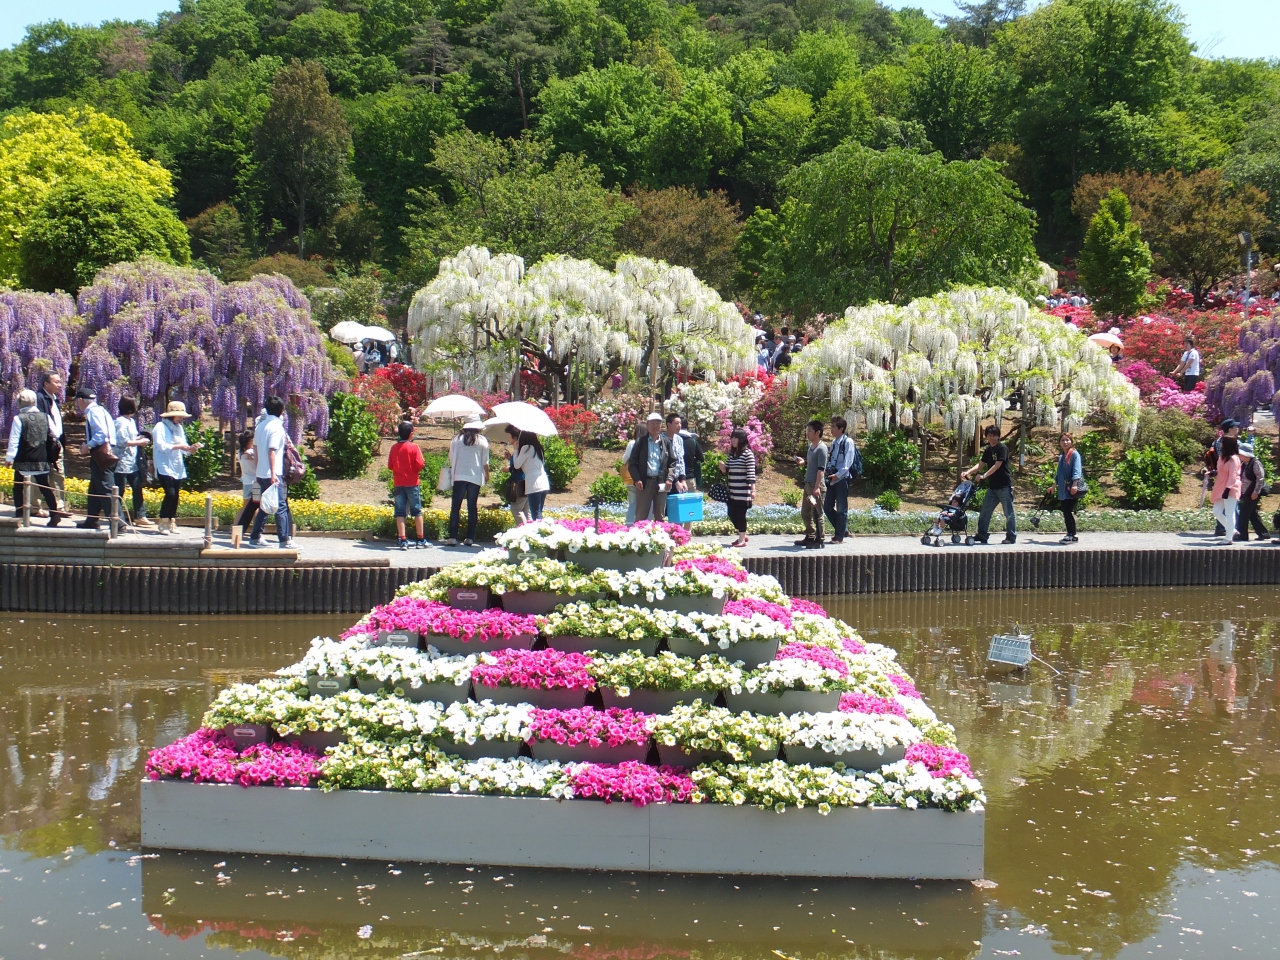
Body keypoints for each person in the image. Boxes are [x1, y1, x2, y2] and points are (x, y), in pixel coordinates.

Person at [5, 389, 60, 524]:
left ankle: (20, 513)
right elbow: (56, 433)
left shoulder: (19, 418)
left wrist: (9, 458)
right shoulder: (45, 417)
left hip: (23, 458)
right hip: (41, 457)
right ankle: (55, 514)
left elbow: (14, 441)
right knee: (45, 487)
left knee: (18, 487)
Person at [249, 395, 296, 549]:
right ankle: (284, 540)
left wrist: (257, 469)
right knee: (280, 505)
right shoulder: (277, 428)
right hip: (272, 473)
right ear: (281, 410)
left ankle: (255, 537)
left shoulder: (260, 426)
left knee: (265, 504)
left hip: (261, 472)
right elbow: (272, 451)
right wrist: (274, 474)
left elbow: (255, 449)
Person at [151, 401, 201, 535]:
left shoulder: (179, 428)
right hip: (163, 464)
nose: (181, 418)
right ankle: (163, 521)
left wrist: (191, 449)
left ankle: (172, 521)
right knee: (170, 493)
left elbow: (184, 447)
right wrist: (179, 446)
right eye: (179, 416)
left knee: (176, 494)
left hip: (177, 465)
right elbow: (161, 446)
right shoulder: (160, 427)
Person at [964, 425, 1016, 545]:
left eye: (994, 436)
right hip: (993, 487)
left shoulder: (1002, 448)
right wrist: (968, 472)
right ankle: (982, 535)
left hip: (1004, 486)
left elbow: (997, 465)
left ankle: (1011, 537)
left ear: (998, 436)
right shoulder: (988, 449)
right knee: (985, 511)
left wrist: (984, 476)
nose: (992, 438)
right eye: (989, 435)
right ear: (986, 436)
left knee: (1008, 513)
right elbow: (980, 464)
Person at [75, 387, 118, 530]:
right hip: (107, 451)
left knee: (106, 487)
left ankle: (118, 522)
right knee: (95, 487)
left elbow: (101, 434)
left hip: (102, 453)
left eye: (77, 401)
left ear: (81, 400)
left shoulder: (93, 412)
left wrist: (88, 446)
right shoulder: (102, 410)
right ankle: (91, 520)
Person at [445, 420, 489, 546]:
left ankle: (453, 537)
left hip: (459, 475)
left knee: (455, 507)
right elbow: (485, 461)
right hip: (475, 477)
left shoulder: (457, 439)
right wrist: (487, 475)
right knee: (472, 507)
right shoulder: (482, 440)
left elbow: (451, 457)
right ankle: (470, 537)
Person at [628, 412, 677, 524]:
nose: (655, 426)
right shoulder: (641, 442)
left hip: (661, 482)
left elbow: (672, 462)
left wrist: (670, 478)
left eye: (657, 423)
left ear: (661, 425)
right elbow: (632, 463)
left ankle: (659, 534)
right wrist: (637, 479)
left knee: (660, 515)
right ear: (647, 425)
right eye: (652, 423)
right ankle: (639, 534)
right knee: (641, 516)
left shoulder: (666, 442)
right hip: (645, 483)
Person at [112, 397, 152, 528]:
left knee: (137, 487)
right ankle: (117, 516)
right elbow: (121, 442)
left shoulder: (131, 421)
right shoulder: (120, 422)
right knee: (120, 490)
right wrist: (139, 442)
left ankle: (140, 516)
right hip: (121, 462)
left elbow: (131, 438)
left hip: (132, 461)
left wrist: (140, 438)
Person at [389, 420, 427, 550]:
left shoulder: (394, 448)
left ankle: (403, 539)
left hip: (398, 483)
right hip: (412, 482)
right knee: (417, 510)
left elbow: (390, 465)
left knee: (400, 512)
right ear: (411, 434)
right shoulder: (414, 447)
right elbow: (420, 464)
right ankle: (420, 539)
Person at [824, 416, 859, 544]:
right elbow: (832, 460)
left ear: (841, 429)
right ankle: (842, 529)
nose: (831, 429)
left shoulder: (848, 442)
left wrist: (838, 475)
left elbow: (847, 463)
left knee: (841, 509)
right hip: (832, 478)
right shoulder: (834, 443)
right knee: (827, 507)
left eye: (834, 427)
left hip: (842, 479)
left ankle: (839, 537)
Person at [793, 419, 828, 549]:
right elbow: (812, 463)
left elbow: (821, 470)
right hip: (808, 484)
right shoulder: (811, 446)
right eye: (807, 431)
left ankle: (820, 540)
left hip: (815, 485)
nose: (807, 433)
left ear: (818, 432)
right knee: (805, 512)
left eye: (810, 431)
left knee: (817, 513)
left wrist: (817, 487)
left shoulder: (822, 448)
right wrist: (804, 462)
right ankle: (810, 535)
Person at [36, 370, 66, 515]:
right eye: (56, 382)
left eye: (60, 382)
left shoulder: (55, 399)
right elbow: (41, 422)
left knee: (58, 474)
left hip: (56, 443)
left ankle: (59, 506)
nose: (60, 385)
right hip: (45, 444)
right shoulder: (39, 398)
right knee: (38, 475)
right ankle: (35, 507)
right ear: (46, 383)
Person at [720, 427, 756, 548]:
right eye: (732, 438)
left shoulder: (748, 454)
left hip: (743, 492)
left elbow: (751, 473)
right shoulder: (732, 454)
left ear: (742, 439)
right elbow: (727, 470)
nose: (733, 440)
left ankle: (741, 539)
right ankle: (743, 533)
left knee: (741, 515)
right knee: (731, 513)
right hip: (732, 491)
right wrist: (722, 468)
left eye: (736, 438)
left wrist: (753, 490)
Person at [512, 429, 550, 521]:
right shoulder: (538, 448)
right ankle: (543, 528)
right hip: (543, 482)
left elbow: (517, 465)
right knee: (539, 513)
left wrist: (516, 450)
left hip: (534, 484)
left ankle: (541, 530)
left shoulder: (526, 448)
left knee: (536, 515)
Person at [1210, 435, 1241, 545]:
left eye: (1222, 442)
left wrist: (1227, 489)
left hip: (1231, 488)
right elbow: (1220, 471)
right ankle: (1232, 530)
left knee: (1229, 513)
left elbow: (1232, 475)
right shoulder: (1222, 457)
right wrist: (1213, 473)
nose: (1220, 444)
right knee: (1216, 511)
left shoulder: (1234, 459)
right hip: (1220, 486)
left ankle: (1228, 538)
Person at [1055, 433, 1084, 545]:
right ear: (1059, 443)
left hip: (1071, 488)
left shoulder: (1074, 454)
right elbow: (1059, 473)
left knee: (1067, 511)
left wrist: (1075, 484)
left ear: (1071, 441)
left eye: (1067, 440)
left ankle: (1071, 534)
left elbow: (1077, 470)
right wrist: (1054, 485)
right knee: (1066, 511)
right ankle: (1071, 534)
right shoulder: (1062, 456)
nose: (1065, 442)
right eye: (1062, 440)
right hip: (1063, 489)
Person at [1235, 442, 1268, 541]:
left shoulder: (1255, 463)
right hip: (1246, 492)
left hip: (1253, 493)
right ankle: (1263, 533)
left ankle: (1242, 535)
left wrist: (1256, 492)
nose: (1239, 455)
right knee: (1252, 514)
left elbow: (1260, 478)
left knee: (1244, 513)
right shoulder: (1244, 464)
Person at [234, 428, 260, 533]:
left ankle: (235, 527)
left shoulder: (240, 452)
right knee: (256, 508)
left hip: (246, 482)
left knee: (245, 507)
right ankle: (257, 530)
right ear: (250, 440)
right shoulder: (251, 452)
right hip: (255, 482)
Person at [504, 425, 530, 524]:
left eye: (508, 435)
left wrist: (509, 469)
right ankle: (531, 530)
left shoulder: (519, 450)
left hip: (520, 483)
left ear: (514, 437)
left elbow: (517, 467)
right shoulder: (522, 449)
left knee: (516, 509)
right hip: (526, 483)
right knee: (525, 510)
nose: (507, 437)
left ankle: (524, 530)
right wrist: (510, 458)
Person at [665, 414, 689, 493]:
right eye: (676, 423)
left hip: (678, 478)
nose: (679, 425)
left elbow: (681, 460)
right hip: (667, 479)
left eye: (680, 423)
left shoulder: (679, 439)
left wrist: (683, 480)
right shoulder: (662, 439)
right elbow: (666, 462)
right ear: (668, 424)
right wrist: (676, 481)